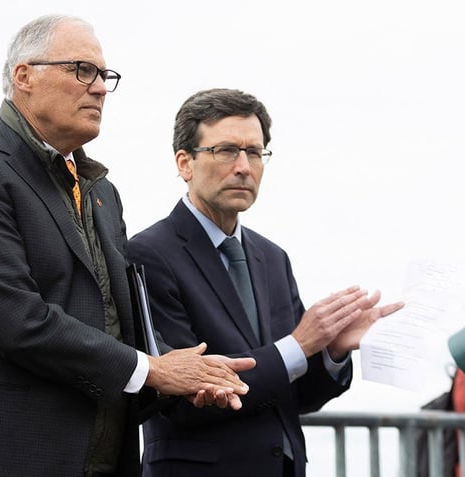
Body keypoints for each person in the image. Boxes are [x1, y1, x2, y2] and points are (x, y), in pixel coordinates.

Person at [0, 15, 255, 477]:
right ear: (24, 76)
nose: (99, 88)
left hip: (98, 459)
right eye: (82, 70)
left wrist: (181, 376)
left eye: (104, 76)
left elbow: (116, 324)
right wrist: (153, 370)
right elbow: (16, 320)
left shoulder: (102, 192)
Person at [127, 88, 405, 477]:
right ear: (184, 163)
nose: (243, 166)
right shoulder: (148, 254)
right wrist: (300, 343)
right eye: (225, 150)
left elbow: (297, 396)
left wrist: (333, 350)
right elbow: (179, 401)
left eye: (254, 152)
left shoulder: (272, 257)